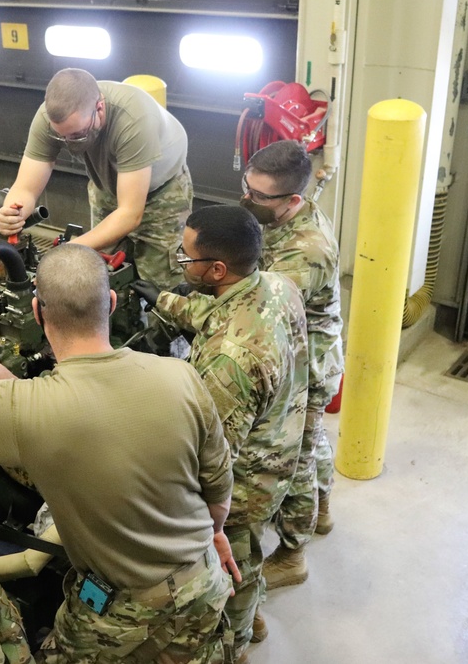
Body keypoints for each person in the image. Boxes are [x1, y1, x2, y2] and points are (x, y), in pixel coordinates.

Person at [0, 243, 240, 663]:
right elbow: (218, 490)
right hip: (205, 582)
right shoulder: (182, 375)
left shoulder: (25, 408)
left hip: (120, 613)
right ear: (113, 301)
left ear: (37, 312)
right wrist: (207, 538)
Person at [132, 205, 308, 664]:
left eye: (185, 258)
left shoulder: (228, 366)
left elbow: (211, 462)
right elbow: (218, 315)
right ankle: (251, 617)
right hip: (283, 441)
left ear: (216, 269)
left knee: (232, 559)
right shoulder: (276, 285)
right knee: (245, 554)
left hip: (249, 478)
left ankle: (238, 640)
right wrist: (162, 299)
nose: (179, 263)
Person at [239, 141, 344, 590]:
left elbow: (263, 308)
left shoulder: (307, 250)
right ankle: (321, 510)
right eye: (247, 188)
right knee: (313, 439)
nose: (249, 200)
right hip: (305, 350)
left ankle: (292, 554)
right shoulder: (285, 215)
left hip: (309, 366)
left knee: (293, 459)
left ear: (292, 201)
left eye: (260, 197)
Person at [0, 68, 191, 289]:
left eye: (77, 134)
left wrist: (69, 249)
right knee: (98, 273)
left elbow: (129, 214)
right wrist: (14, 213)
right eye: (61, 136)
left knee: (162, 284)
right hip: (107, 188)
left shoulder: (133, 119)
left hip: (162, 196)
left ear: (100, 108)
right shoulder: (52, 118)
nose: (69, 142)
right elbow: (26, 188)